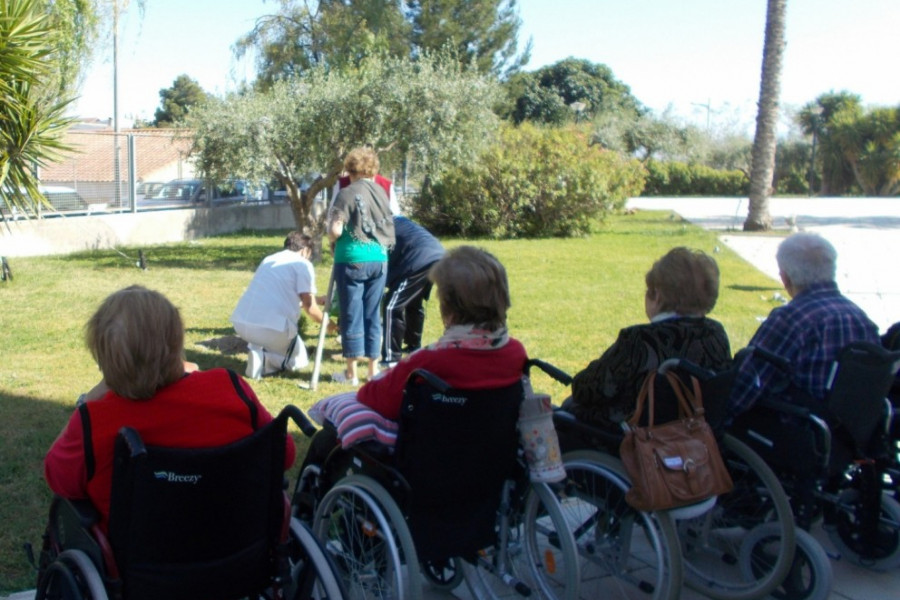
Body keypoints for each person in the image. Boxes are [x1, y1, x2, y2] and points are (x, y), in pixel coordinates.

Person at [43, 285, 296, 532]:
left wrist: (89, 399)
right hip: (238, 551)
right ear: (176, 343)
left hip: (140, 567)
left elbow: (60, 480)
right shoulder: (229, 387)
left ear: (102, 358)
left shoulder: (93, 420)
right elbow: (284, 454)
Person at [299, 246, 528, 471]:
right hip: (489, 466)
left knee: (325, 441)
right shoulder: (516, 353)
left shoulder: (429, 363)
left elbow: (372, 396)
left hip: (431, 469)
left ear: (447, 309)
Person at [564, 247, 732, 431]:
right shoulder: (716, 333)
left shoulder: (640, 339)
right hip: (694, 432)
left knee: (567, 409)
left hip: (637, 440)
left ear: (658, 295)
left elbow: (587, 390)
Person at [728, 232, 880, 419]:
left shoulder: (790, 319)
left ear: (785, 278)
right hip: (850, 434)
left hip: (795, 434)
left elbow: (742, 390)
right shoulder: (861, 318)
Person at [328, 147, 396, 385]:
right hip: (379, 259)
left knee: (351, 314)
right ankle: (373, 370)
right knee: (372, 313)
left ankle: (350, 373)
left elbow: (336, 229)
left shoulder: (346, 193)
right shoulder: (381, 192)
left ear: (351, 169)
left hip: (352, 259)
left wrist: (330, 237)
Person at [230, 232, 332, 379]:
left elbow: (281, 293)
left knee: (272, 341)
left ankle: (258, 349)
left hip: (241, 323)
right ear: (304, 250)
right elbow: (309, 307)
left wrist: (317, 299)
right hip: (272, 328)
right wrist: (328, 324)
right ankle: (265, 360)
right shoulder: (303, 264)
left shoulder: (269, 259)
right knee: (300, 361)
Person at [382, 215, 445, 366]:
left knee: (392, 307)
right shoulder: (400, 220)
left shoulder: (379, 226)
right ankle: (413, 346)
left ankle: (392, 358)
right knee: (414, 302)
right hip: (438, 256)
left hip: (418, 260)